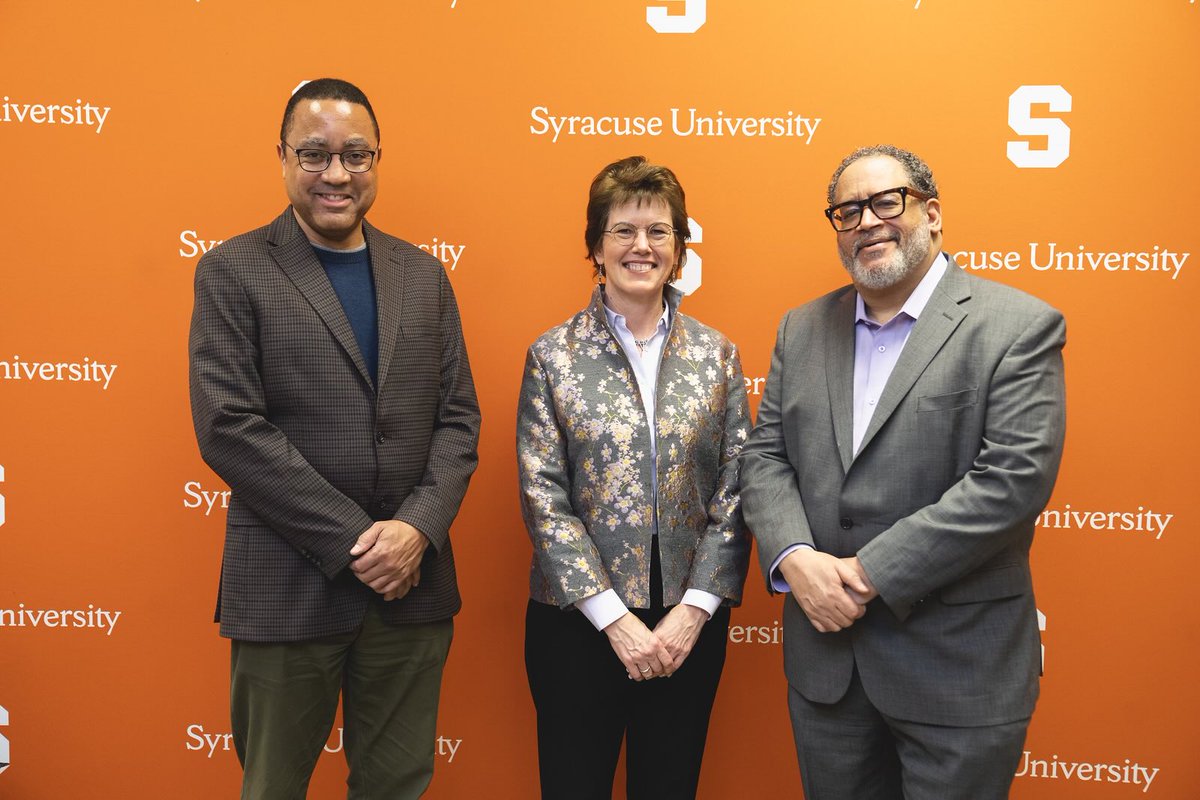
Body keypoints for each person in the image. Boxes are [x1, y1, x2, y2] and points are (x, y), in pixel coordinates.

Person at [740, 144, 1066, 800]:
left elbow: (1011, 481)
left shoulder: (1017, 326)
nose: (867, 222)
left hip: (957, 671)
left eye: (887, 202)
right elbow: (765, 456)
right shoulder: (801, 329)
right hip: (829, 673)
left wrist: (864, 575)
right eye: (848, 210)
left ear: (933, 213)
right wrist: (796, 557)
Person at [188, 78, 480, 799]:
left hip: (410, 589)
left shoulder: (424, 275)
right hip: (288, 587)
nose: (337, 174)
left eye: (356, 154)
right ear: (283, 157)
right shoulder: (232, 270)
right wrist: (362, 542)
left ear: (377, 159)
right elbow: (228, 426)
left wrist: (414, 530)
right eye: (315, 154)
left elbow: (458, 421)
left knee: (398, 786)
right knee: (273, 788)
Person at [516, 156, 751, 800]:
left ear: (679, 248)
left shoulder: (718, 355)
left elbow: (738, 486)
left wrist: (694, 611)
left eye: (659, 232)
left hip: (687, 631)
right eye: (622, 230)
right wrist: (613, 618)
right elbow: (544, 497)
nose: (640, 246)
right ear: (595, 245)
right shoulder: (552, 356)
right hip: (578, 627)